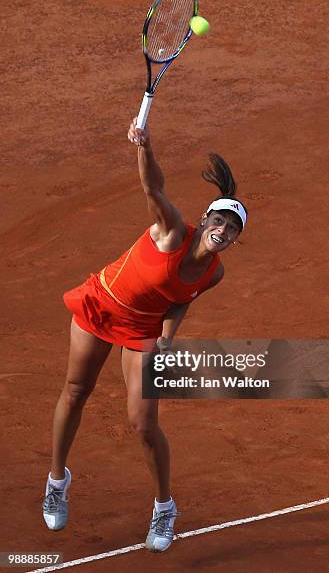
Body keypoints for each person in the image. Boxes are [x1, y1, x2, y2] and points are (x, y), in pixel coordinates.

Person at [42, 118, 247, 553]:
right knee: (76, 391)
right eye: (220, 222)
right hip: (101, 304)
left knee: (144, 424)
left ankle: (164, 508)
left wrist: (169, 336)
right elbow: (154, 188)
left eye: (232, 230)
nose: (223, 232)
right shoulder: (172, 231)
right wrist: (144, 145)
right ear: (204, 219)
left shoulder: (215, 272)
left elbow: (182, 298)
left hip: (143, 329)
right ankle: (57, 480)